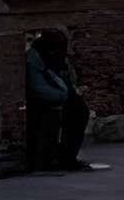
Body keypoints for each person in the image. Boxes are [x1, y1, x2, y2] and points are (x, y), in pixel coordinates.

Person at [25, 26, 91, 172]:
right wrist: (64, 94)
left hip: (60, 94)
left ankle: (68, 156)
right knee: (72, 112)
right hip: (44, 99)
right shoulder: (35, 58)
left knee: (80, 110)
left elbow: (66, 79)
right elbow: (38, 87)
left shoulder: (55, 57)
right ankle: (60, 158)